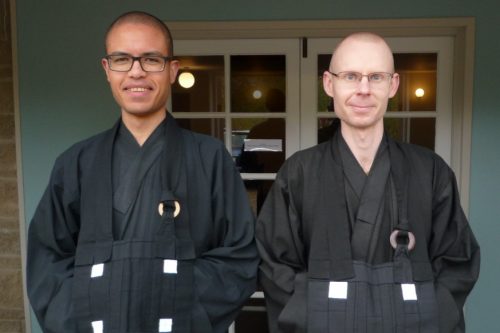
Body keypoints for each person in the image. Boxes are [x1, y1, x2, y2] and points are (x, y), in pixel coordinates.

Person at [27, 11, 258, 333]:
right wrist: (81, 317)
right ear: (107, 70)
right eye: (122, 59)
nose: (136, 72)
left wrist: (183, 307)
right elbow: (48, 259)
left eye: (151, 59)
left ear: (172, 70)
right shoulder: (75, 162)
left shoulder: (209, 157)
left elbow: (240, 254)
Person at [256, 32, 480, 333]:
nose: (363, 89)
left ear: (393, 85)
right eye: (350, 76)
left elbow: (458, 262)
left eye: (376, 77)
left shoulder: (430, 171)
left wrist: (418, 316)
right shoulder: (298, 172)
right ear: (328, 83)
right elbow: (274, 265)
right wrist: (319, 315)